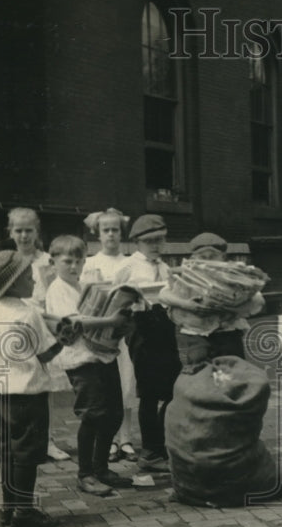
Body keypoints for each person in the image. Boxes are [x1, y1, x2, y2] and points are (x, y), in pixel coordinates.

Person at [46, 235, 134, 497]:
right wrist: (111, 320)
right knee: (93, 414)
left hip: (102, 355)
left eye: (78, 261)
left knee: (114, 413)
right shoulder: (57, 289)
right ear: (54, 263)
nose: (74, 267)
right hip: (80, 360)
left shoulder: (83, 285)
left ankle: (101, 467)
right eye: (67, 262)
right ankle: (85, 474)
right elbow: (75, 322)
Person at [0, 250, 64, 527]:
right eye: (28, 276)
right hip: (28, 395)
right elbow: (44, 354)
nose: (33, 280)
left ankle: (8, 507)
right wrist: (65, 338)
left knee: (7, 452)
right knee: (27, 455)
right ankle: (24, 511)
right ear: (14, 282)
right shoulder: (28, 313)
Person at [113, 214, 181, 473]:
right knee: (149, 393)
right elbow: (116, 300)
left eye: (160, 240)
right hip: (141, 330)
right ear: (137, 242)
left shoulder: (164, 267)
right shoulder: (129, 266)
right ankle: (150, 451)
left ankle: (162, 445)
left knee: (171, 389)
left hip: (164, 328)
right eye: (150, 241)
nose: (155, 246)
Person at [6, 207, 70, 462]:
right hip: (16, 329)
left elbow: (54, 293)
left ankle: (47, 440)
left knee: (47, 385)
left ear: (37, 230)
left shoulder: (47, 261)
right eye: (18, 231)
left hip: (43, 327)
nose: (24, 236)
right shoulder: (7, 261)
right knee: (19, 386)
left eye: (28, 230)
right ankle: (17, 440)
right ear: (10, 232)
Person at [81, 208, 139, 464]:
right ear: (98, 233)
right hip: (100, 331)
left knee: (127, 382)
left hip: (124, 330)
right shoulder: (91, 263)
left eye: (116, 230)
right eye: (106, 230)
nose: (111, 235)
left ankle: (125, 438)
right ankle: (110, 440)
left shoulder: (130, 262)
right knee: (106, 386)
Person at [161, 232, 264, 368]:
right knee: (199, 375)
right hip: (196, 336)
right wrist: (187, 304)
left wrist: (231, 306)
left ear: (223, 258)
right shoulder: (185, 275)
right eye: (202, 257)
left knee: (233, 376)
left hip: (227, 334)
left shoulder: (233, 275)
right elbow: (163, 294)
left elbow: (258, 301)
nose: (208, 260)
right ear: (193, 257)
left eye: (213, 256)